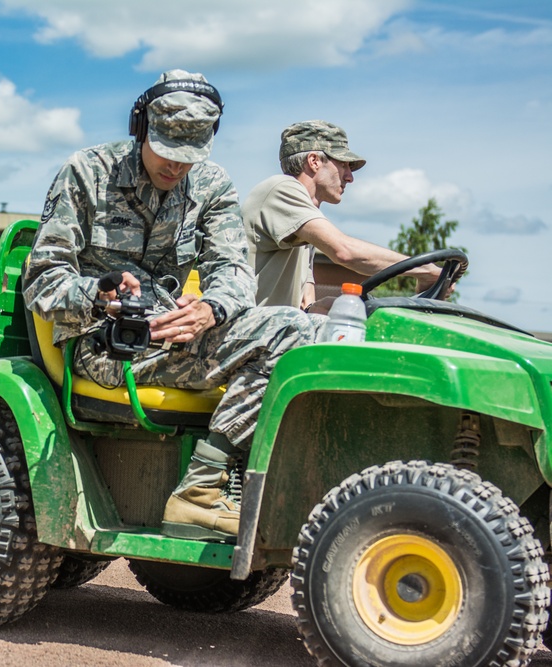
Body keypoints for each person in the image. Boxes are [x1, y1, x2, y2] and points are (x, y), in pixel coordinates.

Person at [23, 70, 320, 541]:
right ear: (140, 128)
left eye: (190, 155)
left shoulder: (211, 185)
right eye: (167, 150)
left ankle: (219, 481)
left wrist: (211, 309)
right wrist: (98, 296)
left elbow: (234, 269)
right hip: (105, 342)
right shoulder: (87, 172)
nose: (177, 166)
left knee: (309, 334)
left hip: (176, 335)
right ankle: (202, 492)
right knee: (292, 332)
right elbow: (42, 280)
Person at [242, 120, 445, 312]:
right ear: (314, 161)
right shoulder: (281, 189)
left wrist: (327, 308)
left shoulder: (305, 224)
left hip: (277, 330)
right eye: (343, 165)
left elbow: (305, 304)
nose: (350, 177)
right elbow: (345, 251)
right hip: (249, 331)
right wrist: (424, 269)